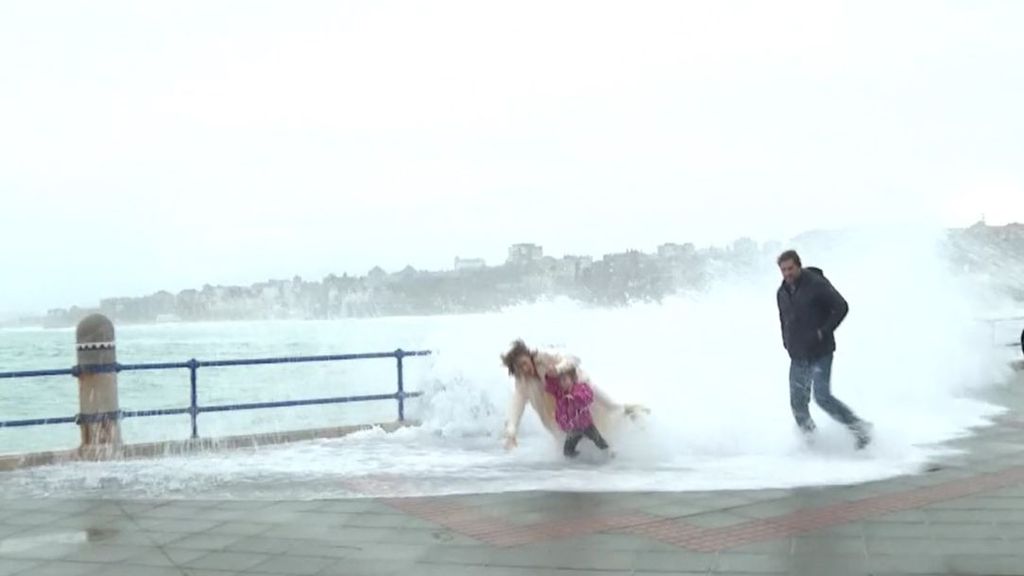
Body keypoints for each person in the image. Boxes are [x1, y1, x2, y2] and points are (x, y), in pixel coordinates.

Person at [776, 250, 872, 449]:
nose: (787, 273)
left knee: (822, 396)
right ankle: (813, 443)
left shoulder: (816, 284)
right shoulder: (782, 292)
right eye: (783, 270)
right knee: (798, 404)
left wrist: (824, 331)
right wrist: (786, 341)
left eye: (790, 268)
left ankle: (859, 427)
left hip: (821, 351)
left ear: (799, 266)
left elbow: (842, 306)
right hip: (798, 354)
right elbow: (783, 319)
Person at [499, 339, 646, 451]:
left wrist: (558, 368)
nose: (525, 369)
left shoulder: (544, 357)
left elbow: (574, 359)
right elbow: (517, 404)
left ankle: (637, 419)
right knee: (574, 442)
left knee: (612, 409)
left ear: (529, 357)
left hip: (581, 393)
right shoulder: (522, 382)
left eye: (525, 363)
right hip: (559, 413)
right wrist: (511, 431)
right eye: (519, 367)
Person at [544, 366, 611, 457]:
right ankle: (579, 461)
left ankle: (610, 454)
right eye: (560, 381)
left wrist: (575, 398)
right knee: (567, 452)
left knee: (599, 441)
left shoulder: (580, 388)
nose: (562, 383)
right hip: (573, 429)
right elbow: (550, 387)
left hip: (586, 425)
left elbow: (588, 396)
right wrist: (549, 376)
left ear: (572, 379)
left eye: (564, 379)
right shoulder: (559, 392)